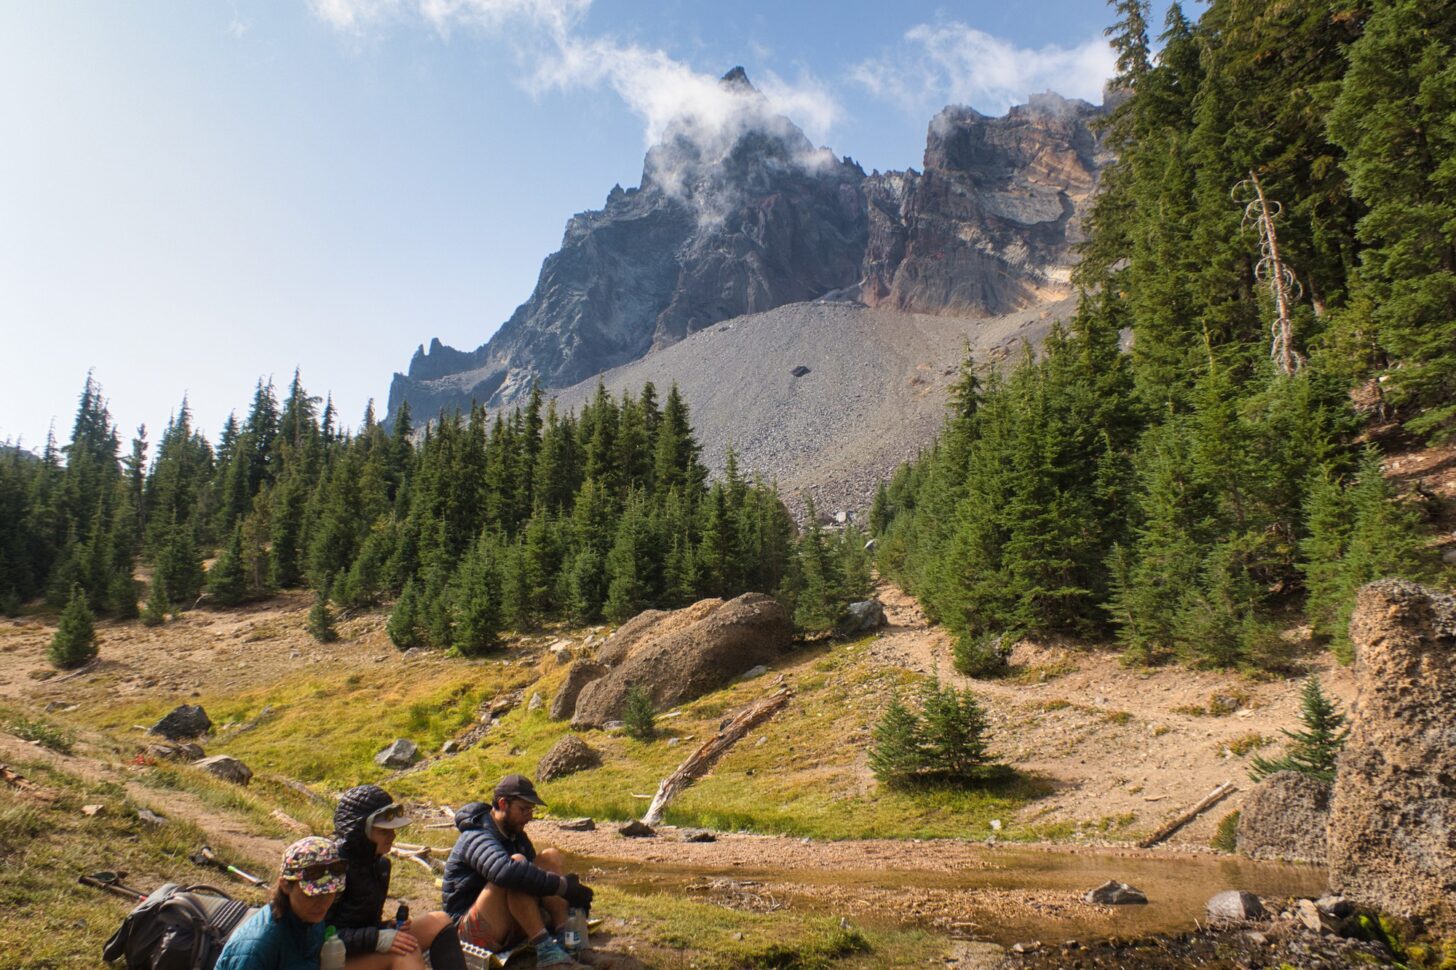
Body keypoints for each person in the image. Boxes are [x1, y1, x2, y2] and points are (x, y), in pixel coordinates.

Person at [441, 774, 595, 968]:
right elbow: (506, 873)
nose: (529, 816)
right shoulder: (476, 835)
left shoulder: (516, 835)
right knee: (518, 867)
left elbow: (534, 877)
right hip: (467, 934)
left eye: (531, 809)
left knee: (549, 857)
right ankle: (547, 953)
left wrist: (571, 899)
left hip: (505, 922)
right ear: (503, 803)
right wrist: (564, 887)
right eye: (524, 809)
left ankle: (567, 938)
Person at [328, 784, 467, 970]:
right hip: (329, 957)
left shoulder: (379, 865)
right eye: (383, 831)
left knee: (439, 921)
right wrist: (376, 938)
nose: (392, 836)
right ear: (360, 832)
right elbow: (317, 935)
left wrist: (386, 927)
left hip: (359, 947)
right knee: (405, 952)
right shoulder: (332, 867)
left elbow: (362, 921)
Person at [214, 836, 346, 970]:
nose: (322, 904)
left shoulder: (312, 922)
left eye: (329, 893)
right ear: (285, 885)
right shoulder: (257, 946)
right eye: (312, 895)